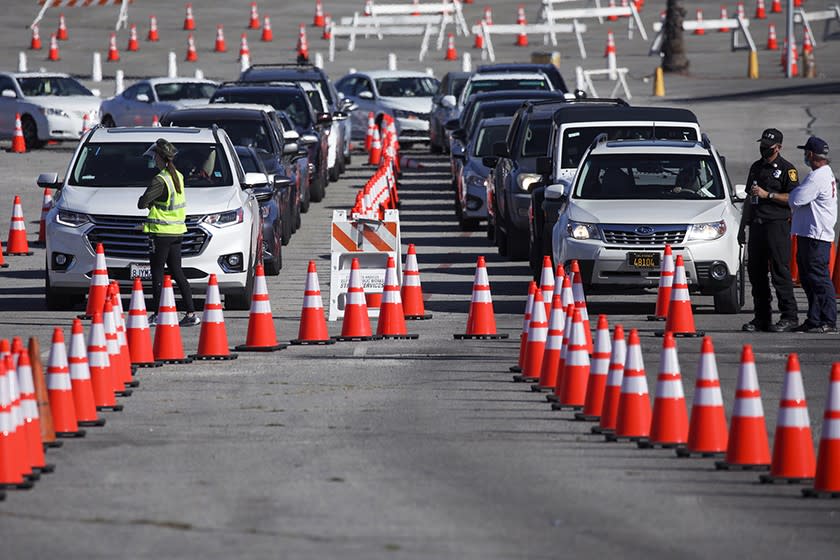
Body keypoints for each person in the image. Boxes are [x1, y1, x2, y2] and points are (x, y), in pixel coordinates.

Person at [738, 128, 800, 332]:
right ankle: (761, 317)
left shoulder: (787, 169)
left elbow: (793, 199)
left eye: (768, 147)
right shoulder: (756, 167)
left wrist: (769, 195)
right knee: (756, 273)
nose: (763, 149)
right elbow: (749, 198)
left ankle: (789, 316)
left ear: (778, 147)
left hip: (777, 226)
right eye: (762, 145)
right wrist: (742, 227)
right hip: (757, 225)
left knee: (780, 272)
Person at [137, 138, 200, 327]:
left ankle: (157, 314)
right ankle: (191, 314)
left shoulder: (160, 179)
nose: (153, 159)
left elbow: (142, 203)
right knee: (177, 272)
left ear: (159, 157)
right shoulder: (177, 176)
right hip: (177, 232)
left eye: (154, 156)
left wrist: (149, 201)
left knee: (157, 273)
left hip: (161, 233)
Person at [788, 136, 837, 333]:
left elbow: (796, 198)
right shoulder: (823, 174)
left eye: (805, 153)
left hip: (816, 236)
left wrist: (791, 195)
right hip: (810, 234)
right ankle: (814, 318)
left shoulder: (817, 177)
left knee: (819, 279)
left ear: (810, 154)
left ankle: (828, 320)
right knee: (808, 279)